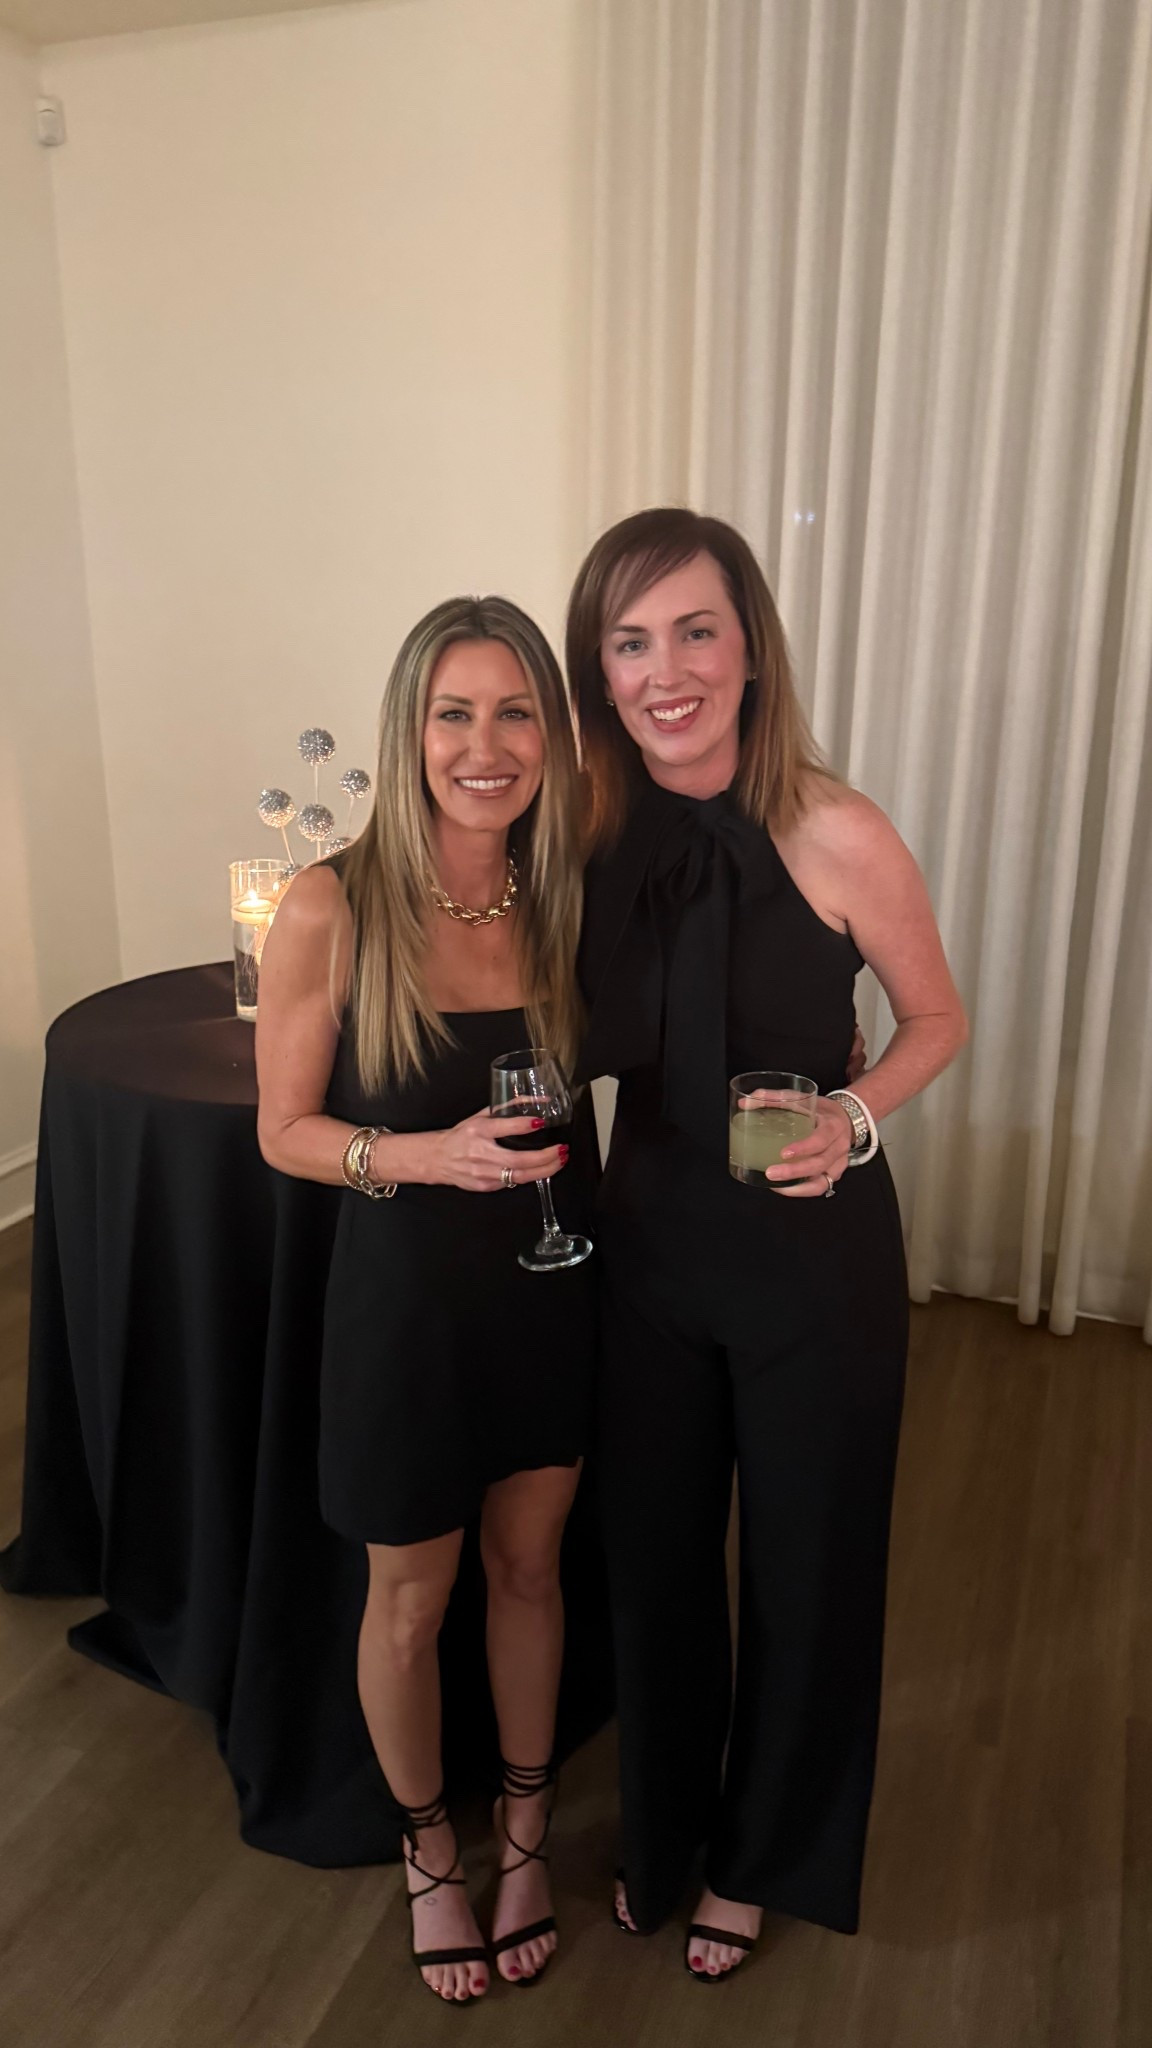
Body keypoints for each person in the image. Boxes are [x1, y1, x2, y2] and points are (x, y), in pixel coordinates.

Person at [568, 507, 968, 1982]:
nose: (663, 670)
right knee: (657, 1558)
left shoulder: (839, 829)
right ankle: (666, 1831)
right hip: (649, 1249)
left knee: (808, 1564)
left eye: (693, 631)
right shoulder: (591, 834)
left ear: (749, 649)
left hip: (813, 1261)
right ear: (597, 668)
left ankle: (764, 1855)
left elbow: (938, 1020)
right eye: (628, 640)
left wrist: (853, 1119)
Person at [256, 596, 596, 2004]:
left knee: (530, 1570)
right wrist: (423, 1155)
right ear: (409, 731)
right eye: (454, 712)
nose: (485, 743)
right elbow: (280, 1130)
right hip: (403, 1311)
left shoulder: (563, 889)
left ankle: (522, 1826)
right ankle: (427, 1854)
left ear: (550, 739)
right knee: (411, 1601)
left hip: (550, 1294)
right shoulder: (333, 902)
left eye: (516, 711)